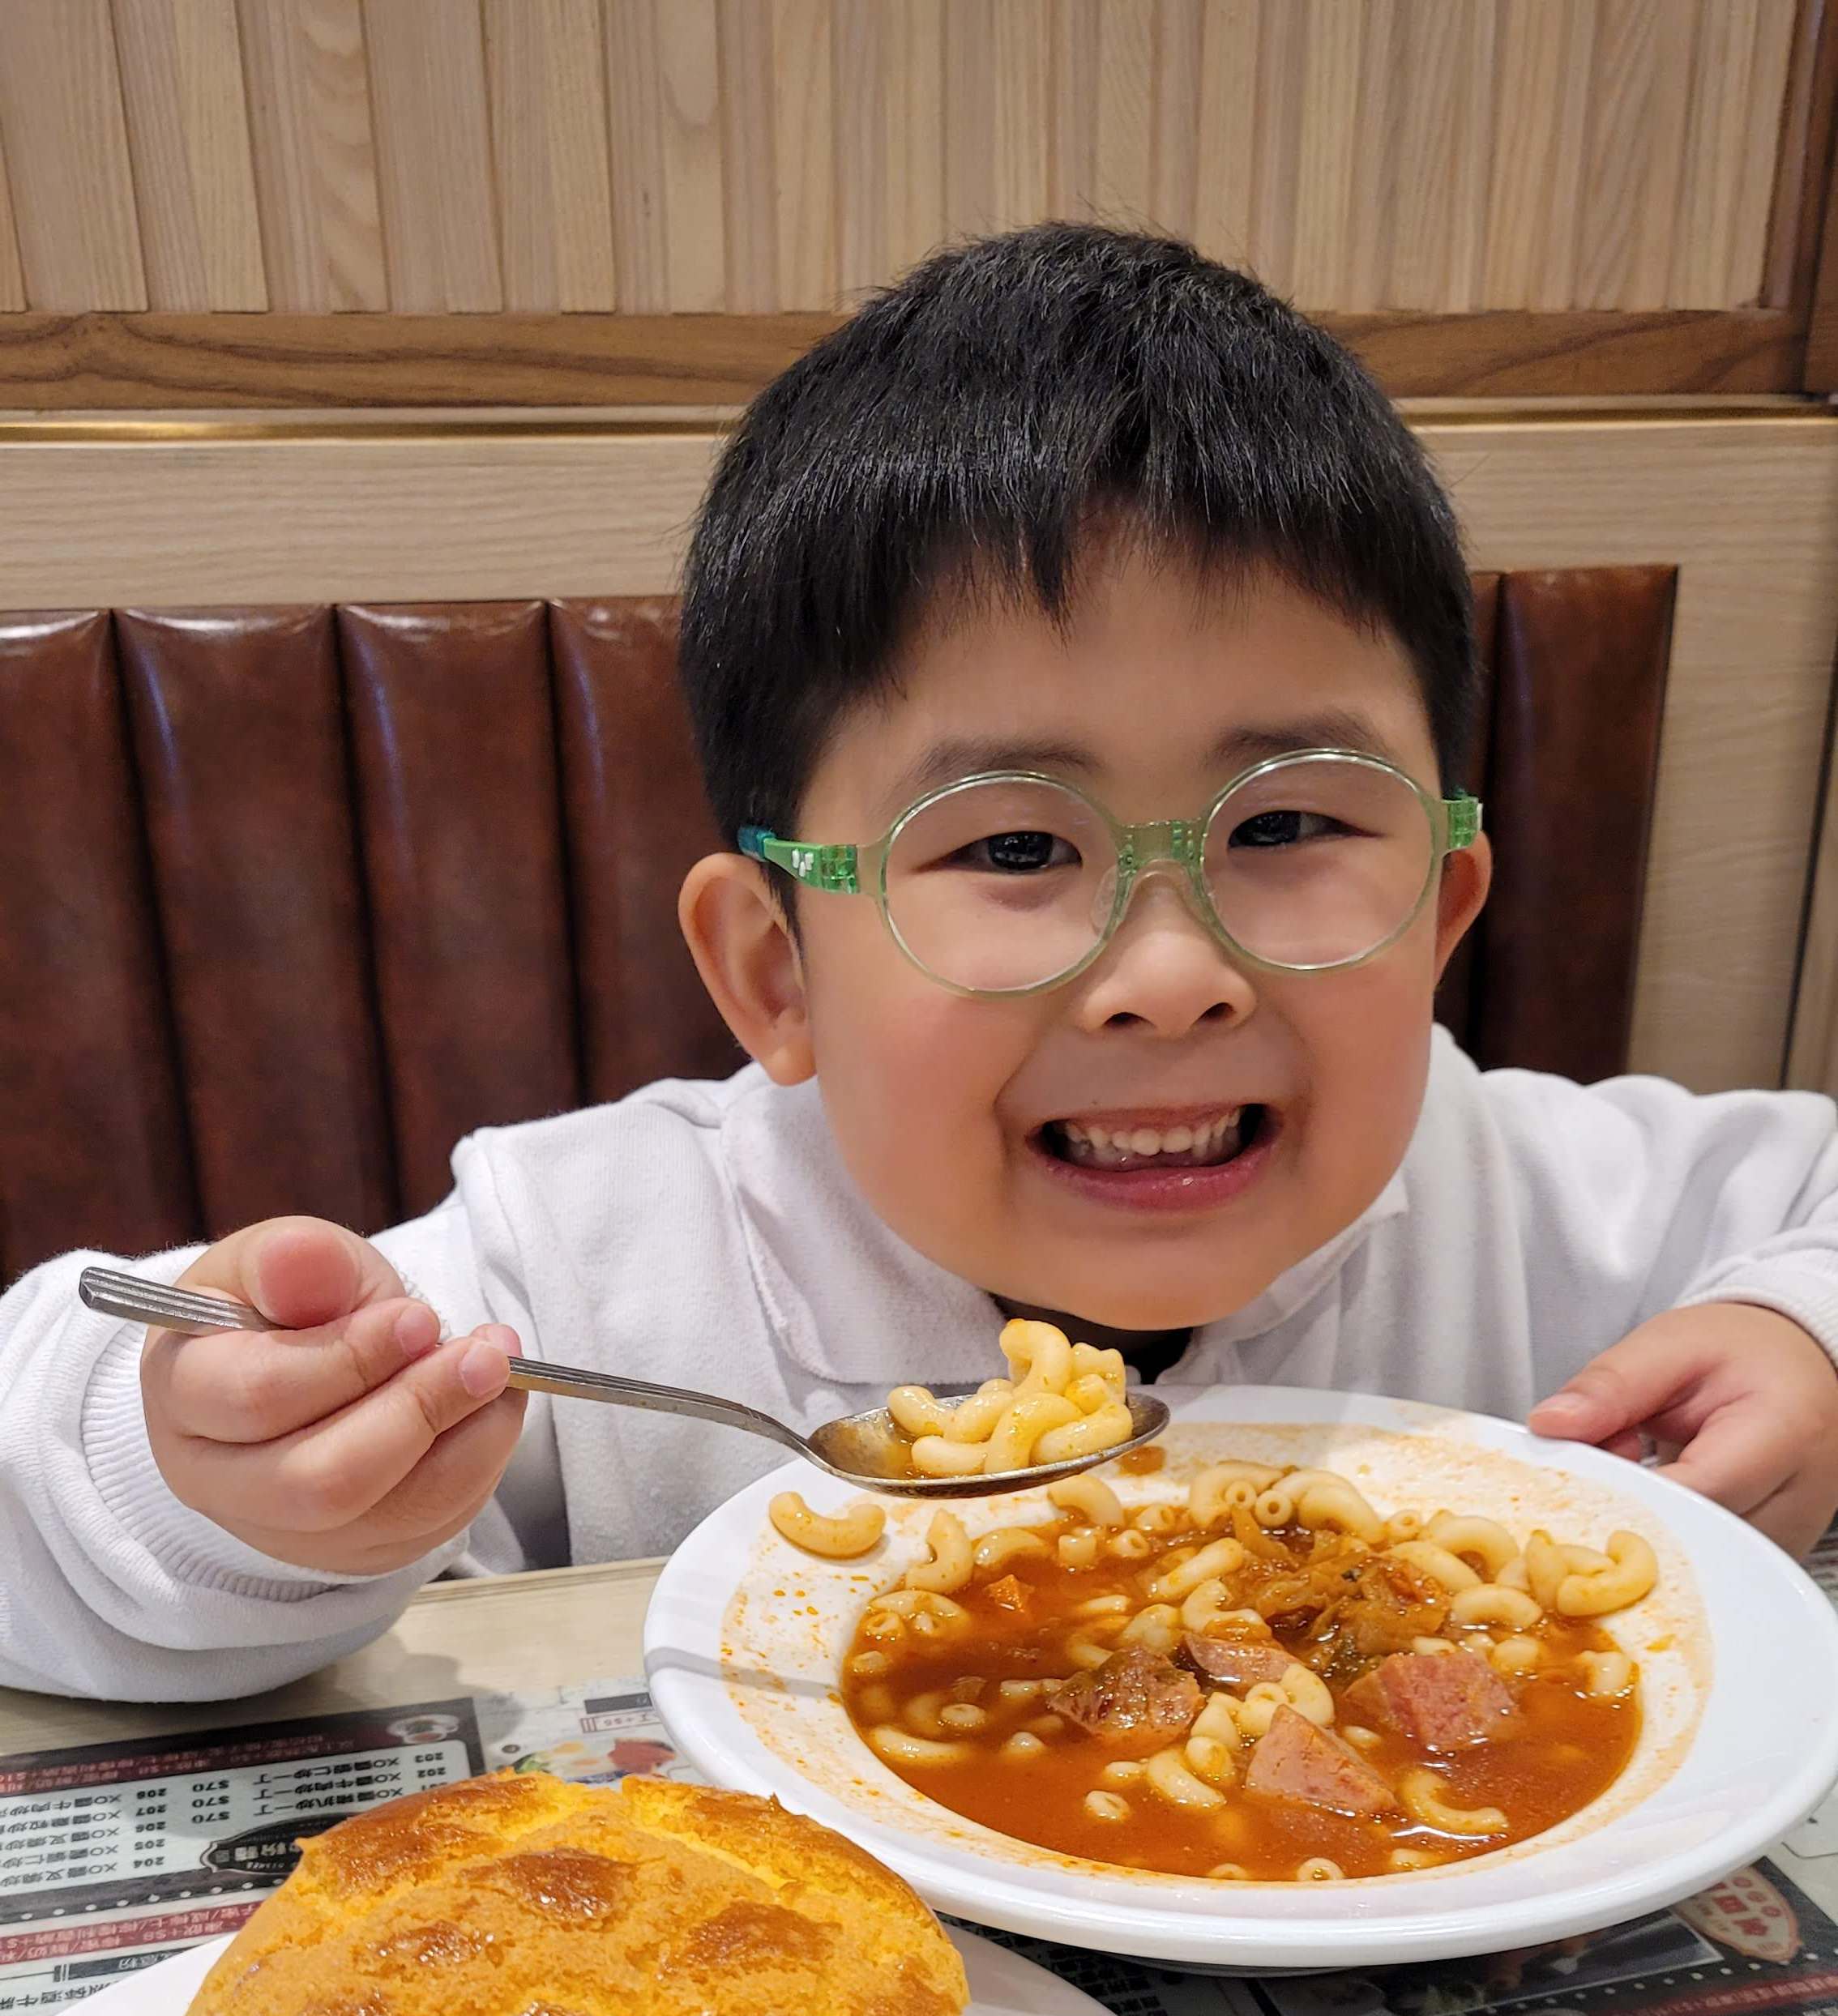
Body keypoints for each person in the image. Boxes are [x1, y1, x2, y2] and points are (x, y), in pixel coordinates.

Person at [4, 223, 1837, 1703]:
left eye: (1286, 825)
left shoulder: (1521, 1189)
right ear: (776, 974)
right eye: (1016, 849)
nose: (1169, 975)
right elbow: (45, 1484)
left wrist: (1799, 1334)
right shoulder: (590, 1273)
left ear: (1442, 909)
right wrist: (208, 1491)